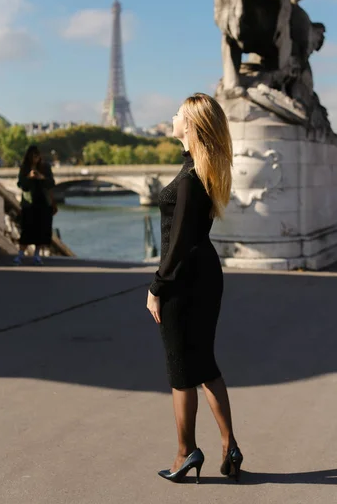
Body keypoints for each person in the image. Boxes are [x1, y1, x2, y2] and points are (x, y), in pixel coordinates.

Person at [146, 93, 243, 484]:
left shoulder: (188, 178)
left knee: (181, 369)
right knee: (204, 363)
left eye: (178, 113)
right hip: (204, 274)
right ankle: (229, 447)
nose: (172, 117)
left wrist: (156, 286)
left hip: (183, 278)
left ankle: (186, 452)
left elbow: (179, 242)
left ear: (190, 125)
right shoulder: (198, 171)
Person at [13, 145, 57, 266]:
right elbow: (21, 185)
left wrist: (42, 177)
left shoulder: (45, 167)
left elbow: (51, 183)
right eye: (33, 156)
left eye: (37, 156)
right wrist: (29, 177)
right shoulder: (24, 168)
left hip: (43, 203)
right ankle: (20, 254)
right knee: (27, 229)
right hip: (29, 204)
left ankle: (37, 255)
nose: (35, 158)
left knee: (41, 230)